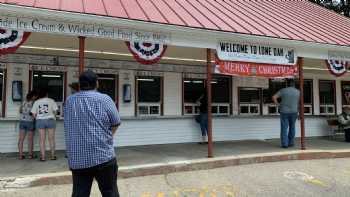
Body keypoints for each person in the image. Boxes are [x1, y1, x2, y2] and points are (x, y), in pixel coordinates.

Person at [64, 70, 121, 197]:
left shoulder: (69, 101)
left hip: (78, 158)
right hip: (103, 156)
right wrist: (107, 137)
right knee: (110, 191)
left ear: (79, 85)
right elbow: (116, 122)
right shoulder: (105, 99)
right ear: (97, 83)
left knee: (80, 193)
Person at [31, 88, 58, 161]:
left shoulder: (37, 102)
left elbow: (33, 114)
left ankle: (43, 157)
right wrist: (54, 117)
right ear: (47, 94)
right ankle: (52, 156)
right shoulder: (51, 101)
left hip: (40, 121)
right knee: (51, 139)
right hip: (50, 120)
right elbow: (55, 111)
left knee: (42, 140)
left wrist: (38, 118)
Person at [272, 79, 300, 148]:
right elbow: (299, 103)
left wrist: (278, 105)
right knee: (292, 127)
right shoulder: (298, 92)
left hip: (284, 111)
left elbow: (274, 97)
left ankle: (285, 144)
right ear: (294, 84)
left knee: (284, 128)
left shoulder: (283, 90)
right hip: (294, 111)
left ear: (287, 84)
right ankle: (291, 142)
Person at [18, 90, 37, 160]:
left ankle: (20, 155)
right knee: (30, 140)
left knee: (21, 139)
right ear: (33, 96)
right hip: (30, 122)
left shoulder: (23, 101)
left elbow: (20, 110)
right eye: (35, 96)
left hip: (22, 121)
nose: (36, 97)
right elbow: (34, 113)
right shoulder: (34, 103)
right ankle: (30, 155)